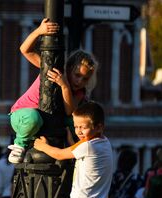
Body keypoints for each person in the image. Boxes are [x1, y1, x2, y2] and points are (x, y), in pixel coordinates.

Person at [8, 18, 98, 163]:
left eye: (85, 79)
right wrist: (39, 31)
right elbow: (25, 50)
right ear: (69, 69)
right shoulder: (51, 71)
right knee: (32, 118)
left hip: (46, 121)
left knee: (75, 118)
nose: (79, 81)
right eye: (77, 75)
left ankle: (72, 149)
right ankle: (20, 143)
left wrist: (64, 86)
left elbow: (69, 111)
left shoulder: (79, 92)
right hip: (24, 115)